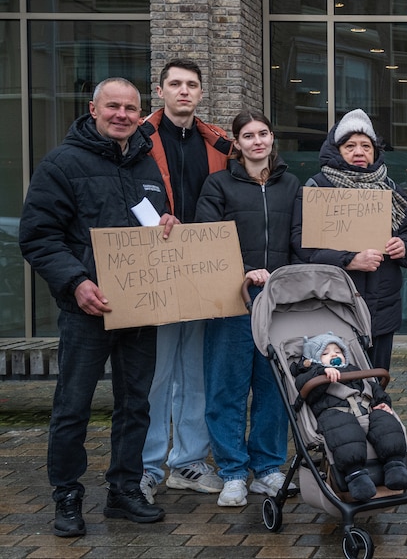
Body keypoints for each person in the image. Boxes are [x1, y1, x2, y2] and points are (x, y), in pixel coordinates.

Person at [20, 78, 178, 536]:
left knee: (136, 404)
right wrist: (75, 283)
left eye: (131, 108)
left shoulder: (146, 164)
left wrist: (168, 222)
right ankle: (67, 497)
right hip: (86, 310)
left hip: (139, 308)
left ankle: (124, 491)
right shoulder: (61, 164)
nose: (123, 115)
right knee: (73, 406)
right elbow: (38, 237)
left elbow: (155, 225)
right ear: (93, 109)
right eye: (113, 106)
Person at [195, 110, 299, 506]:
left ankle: (269, 469)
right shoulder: (218, 184)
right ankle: (233, 473)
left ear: (272, 138)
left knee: (273, 386)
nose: (258, 141)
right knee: (227, 386)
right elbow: (207, 241)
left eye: (264, 133)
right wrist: (243, 272)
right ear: (236, 143)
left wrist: (286, 278)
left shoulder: (291, 185)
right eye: (249, 135)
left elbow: (299, 239)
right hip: (231, 298)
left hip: (278, 301)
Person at [139, 59, 231, 504]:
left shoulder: (218, 143)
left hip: (203, 269)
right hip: (153, 268)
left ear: (200, 92)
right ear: (160, 91)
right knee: (155, 374)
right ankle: (148, 465)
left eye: (191, 84)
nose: (183, 91)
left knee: (197, 372)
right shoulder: (138, 138)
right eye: (175, 84)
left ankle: (189, 462)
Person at [291, 109, 407, 373]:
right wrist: (349, 261)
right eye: (350, 146)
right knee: (341, 381)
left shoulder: (390, 188)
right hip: (336, 306)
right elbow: (302, 247)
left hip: (383, 307)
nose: (359, 151)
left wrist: (403, 246)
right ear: (337, 150)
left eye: (366, 145)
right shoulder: (318, 188)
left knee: (378, 378)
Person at [292, 333, 407, 501]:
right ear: (313, 359)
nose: (334, 354)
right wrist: (321, 372)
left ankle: (395, 467)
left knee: (387, 422)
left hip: (366, 410)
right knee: (344, 432)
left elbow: (372, 387)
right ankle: (356, 476)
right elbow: (303, 387)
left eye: (338, 351)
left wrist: (382, 402)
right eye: (325, 353)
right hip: (336, 415)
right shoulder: (310, 376)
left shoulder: (355, 371)